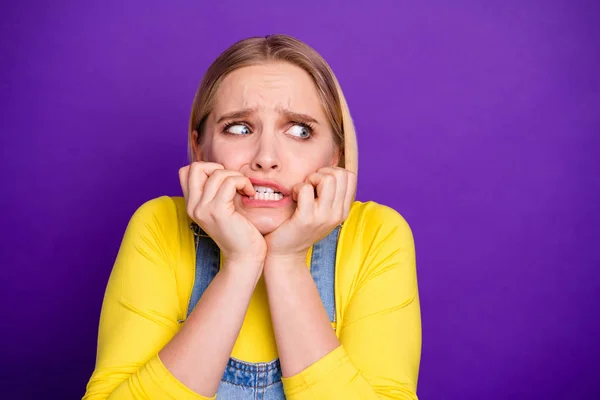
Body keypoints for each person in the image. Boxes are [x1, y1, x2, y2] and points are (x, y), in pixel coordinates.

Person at [83, 34, 421, 400]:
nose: (266, 157)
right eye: (240, 128)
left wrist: (287, 261)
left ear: (334, 155)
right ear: (200, 147)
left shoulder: (376, 236)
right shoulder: (160, 225)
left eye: (299, 131)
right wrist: (241, 263)